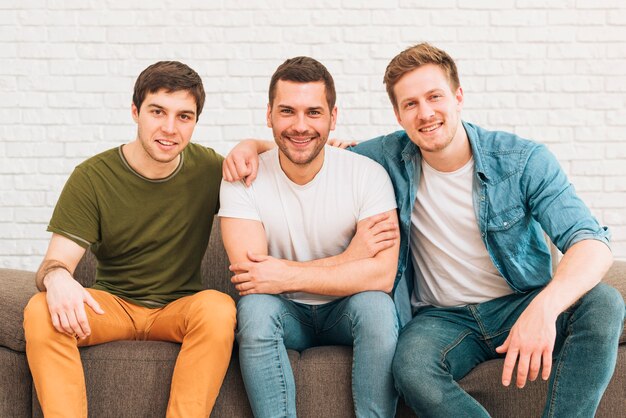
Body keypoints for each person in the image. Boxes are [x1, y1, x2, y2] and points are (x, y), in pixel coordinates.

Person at [223, 43, 625, 417]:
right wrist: (250, 145)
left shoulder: (522, 161)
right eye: (410, 104)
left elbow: (592, 242)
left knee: (604, 302)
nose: (425, 113)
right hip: (441, 319)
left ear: (458, 97)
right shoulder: (386, 157)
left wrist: (545, 306)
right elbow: (305, 142)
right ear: (398, 116)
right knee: (411, 367)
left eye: (434, 97)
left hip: (518, 304)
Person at [23, 61, 236, 418]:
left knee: (219, 308)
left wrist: (329, 152)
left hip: (177, 309)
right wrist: (57, 277)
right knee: (40, 310)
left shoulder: (210, 169)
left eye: (184, 116)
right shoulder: (92, 177)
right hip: (111, 307)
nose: (170, 128)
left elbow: (274, 167)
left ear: (196, 121)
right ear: (136, 111)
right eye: (158, 112)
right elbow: (55, 261)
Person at [218, 56, 401, 418]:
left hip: (347, 309)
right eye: (287, 111)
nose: (300, 126)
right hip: (284, 314)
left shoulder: (368, 175)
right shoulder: (242, 177)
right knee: (254, 310)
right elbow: (252, 279)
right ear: (268, 115)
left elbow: (381, 276)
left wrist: (286, 275)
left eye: (313, 113)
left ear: (333, 117)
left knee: (377, 308)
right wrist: (352, 257)